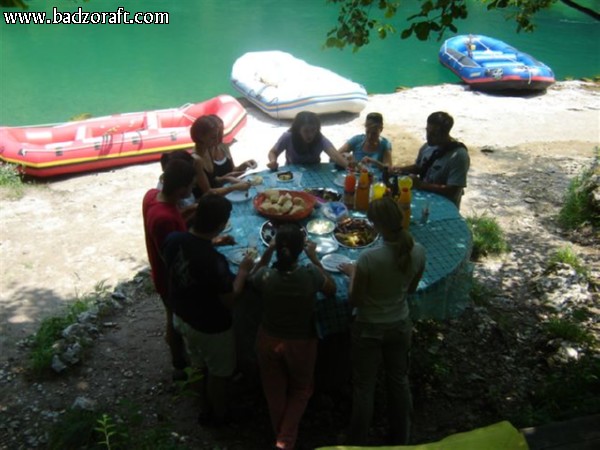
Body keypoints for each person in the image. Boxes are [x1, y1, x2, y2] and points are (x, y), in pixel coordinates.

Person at [338, 196, 426, 446]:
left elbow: (355, 301)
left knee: (365, 386)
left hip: (368, 328)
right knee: (398, 380)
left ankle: (356, 440)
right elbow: (410, 290)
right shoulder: (418, 251)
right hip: (399, 324)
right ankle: (402, 436)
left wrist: (353, 272)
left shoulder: (369, 258)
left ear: (375, 226)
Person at [163, 194, 255, 425]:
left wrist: (212, 242)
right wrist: (243, 271)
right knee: (219, 373)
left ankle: (202, 406)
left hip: (181, 316)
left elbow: (188, 254)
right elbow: (231, 299)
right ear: (221, 225)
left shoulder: (173, 239)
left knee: (197, 363)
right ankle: (220, 415)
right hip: (210, 327)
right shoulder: (215, 263)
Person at [250, 225, 336, 450]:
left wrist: (267, 253)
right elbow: (331, 289)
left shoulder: (266, 276)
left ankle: (282, 435)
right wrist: (315, 259)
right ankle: (285, 439)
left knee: (273, 388)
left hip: (268, 339)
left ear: (278, 248)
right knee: (301, 389)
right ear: (301, 250)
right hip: (301, 342)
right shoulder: (310, 274)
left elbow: (252, 278)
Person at [142, 159, 196, 378]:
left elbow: (175, 221)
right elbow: (172, 258)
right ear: (182, 189)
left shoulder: (151, 196)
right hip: (170, 279)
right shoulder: (164, 219)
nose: (193, 190)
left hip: (160, 272)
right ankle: (180, 364)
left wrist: (193, 209)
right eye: (191, 186)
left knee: (171, 315)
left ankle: (180, 359)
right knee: (176, 320)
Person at [393, 111, 469, 208]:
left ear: (445, 133)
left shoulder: (458, 156)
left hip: (444, 206)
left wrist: (421, 185)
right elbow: (419, 167)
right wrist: (399, 170)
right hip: (423, 200)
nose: (428, 136)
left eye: (434, 134)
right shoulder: (428, 147)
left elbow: (453, 190)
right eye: (427, 131)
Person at [189, 115, 252, 198]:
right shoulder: (196, 159)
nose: (217, 140)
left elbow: (214, 180)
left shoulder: (208, 150)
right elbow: (207, 192)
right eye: (213, 137)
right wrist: (234, 187)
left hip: (218, 196)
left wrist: (228, 178)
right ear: (200, 137)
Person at [266, 111, 348, 171]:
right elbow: (273, 152)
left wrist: (347, 164)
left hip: (315, 174)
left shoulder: (320, 138)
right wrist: (273, 161)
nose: (310, 135)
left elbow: (335, 155)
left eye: (313, 130)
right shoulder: (288, 137)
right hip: (292, 174)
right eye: (306, 131)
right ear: (298, 130)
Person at [206, 114, 258, 185]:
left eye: (221, 133)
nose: (220, 137)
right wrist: (225, 179)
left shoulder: (223, 146)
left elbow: (232, 170)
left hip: (233, 189)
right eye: (216, 135)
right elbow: (210, 184)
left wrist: (244, 165)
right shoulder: (203, 156)